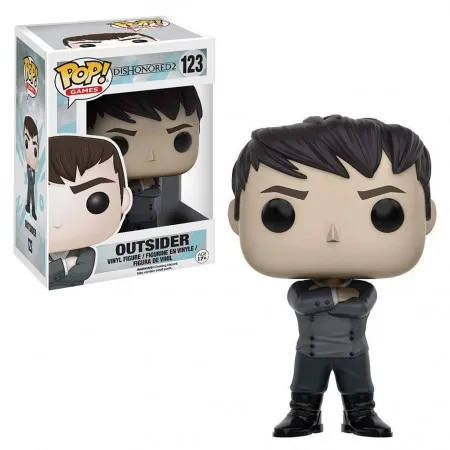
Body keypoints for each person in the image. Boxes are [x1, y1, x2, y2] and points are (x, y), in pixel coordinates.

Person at [228, 115, 436, 438]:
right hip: (310, 352)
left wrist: (331, 300)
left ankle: (359, 416)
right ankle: (304, 416)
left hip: (353, 353)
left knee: (359, 387)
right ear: (236, 218)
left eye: (385, 212)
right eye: (280, 212)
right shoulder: (301, 291)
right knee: (304, 387)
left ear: (428, 217)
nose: (332, 234)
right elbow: (305, 303)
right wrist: (339, 297)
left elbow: (357, 307)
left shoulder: (364, 291)